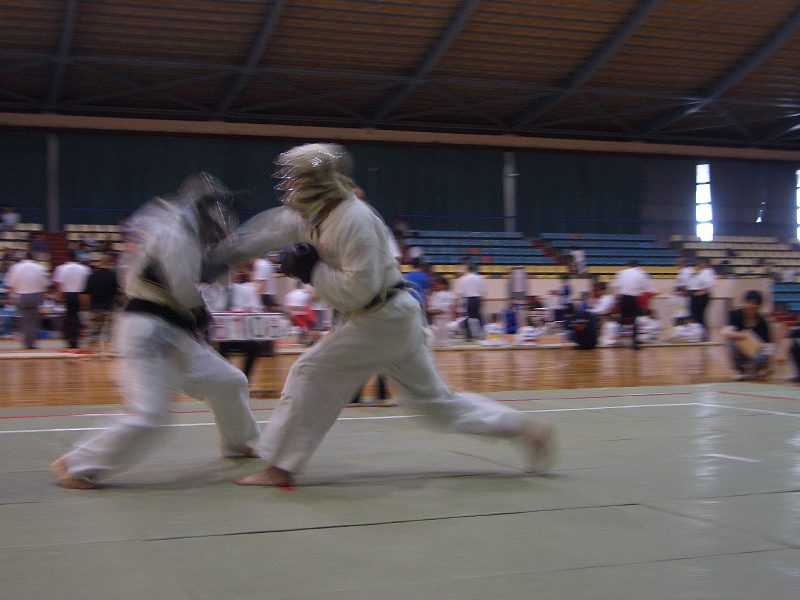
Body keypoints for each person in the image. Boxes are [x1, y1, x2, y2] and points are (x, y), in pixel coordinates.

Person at [206, 143, 554, 487]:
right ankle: (523, 429)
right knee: (438, 406)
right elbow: (267, 230)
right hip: (390, 320)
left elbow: (360, 289)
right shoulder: (309, 215)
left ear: (318, 181)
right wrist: (220, 259)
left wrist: (312, 271)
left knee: (309, 373)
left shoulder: (354, 220)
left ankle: (280, 468)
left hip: (380, 317)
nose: (290, 186)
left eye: (297, 178)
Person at [49, 173, 260, 489]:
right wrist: (204, 309)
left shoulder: (173, 223)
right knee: (151, 414)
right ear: (203, 209)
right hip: (147, 327)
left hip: (173, 329)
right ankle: (74, 465)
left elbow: (189, 279)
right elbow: (183, 288)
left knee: (229, 382)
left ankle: (236, 443)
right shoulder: (175, 230)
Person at [202, 268, 266, 381]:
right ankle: (226, 377)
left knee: (255, 345)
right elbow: (206, 312)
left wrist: (245, 316)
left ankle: (245, 378)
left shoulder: (247, 291)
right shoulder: (209, 292)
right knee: (220, 345)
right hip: (221, 335)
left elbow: (257, 310)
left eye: (232, 273)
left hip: (243, 334)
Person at [721, 290, 773, 381]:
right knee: (731, 343)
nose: (750, 306)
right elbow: (726, 333)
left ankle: (757, 370)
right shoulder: (734, 315)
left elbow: (767, 345)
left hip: (757, 353)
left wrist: (766, 366)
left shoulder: (763, 322)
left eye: (754, 303)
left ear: (759, 306)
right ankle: (741, 371)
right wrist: (743, 336)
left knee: (769, 350)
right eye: (748, 302)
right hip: (740, 347)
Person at [4, 252, 49, 349]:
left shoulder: (16, 267)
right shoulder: (39, 268)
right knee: (33, 321)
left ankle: (26, 343)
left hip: (22, 296)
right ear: (33, 258)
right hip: (35, 296)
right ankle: (32, 344)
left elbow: (11, 285)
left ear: (25, 258)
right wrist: (42, 300)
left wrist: (11, 297)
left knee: (25, 321)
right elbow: (44, 286)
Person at [52, 251, 92, 349]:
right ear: (76, 258)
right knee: (78, 317)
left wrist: (59, 296)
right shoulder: (85, 269)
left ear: (67, 258)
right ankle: (77, 339)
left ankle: (70, 339)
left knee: (70, 317)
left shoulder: (62, 268)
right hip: (81, 295)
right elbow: (89, 284)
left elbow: (59, 285)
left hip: (68, 294)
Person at [84, 253, 121, 351]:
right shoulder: (114, 276)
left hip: (95, 307)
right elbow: (119, 294)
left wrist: (88, 307)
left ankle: (89, 352)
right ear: (110, 263)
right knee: (109, 332)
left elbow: (86, 294)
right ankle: (107, 352)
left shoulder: (92, 276)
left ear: (100, 263)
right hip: (109, 307)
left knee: (93, 331)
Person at [612, 260, 650, 349]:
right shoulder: (640, 274)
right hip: (633, 298)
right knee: (634, 321)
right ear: (637, 265)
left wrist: (618, 299)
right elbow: (643, 289)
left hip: (623, 298)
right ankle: (634, 343)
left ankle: (616, 341)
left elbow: (616, 286)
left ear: (629, 265)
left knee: (621, 320)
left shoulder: (622, 273)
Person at [455, 262, 486, 341]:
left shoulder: (464, 278)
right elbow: (482, 292)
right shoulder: (480, 278)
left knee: (468, 317)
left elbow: (460, 293)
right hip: (477, 299)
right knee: (478, 317)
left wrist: (460, 304)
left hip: (468, 299)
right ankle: (481, 335)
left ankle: (469, 336)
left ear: (468, 270)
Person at [688, 257, 715, 340]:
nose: (698, 264)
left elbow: (709, 286)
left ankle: (704, 335)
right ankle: (700, 334)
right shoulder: (702, 272)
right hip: (697, 295)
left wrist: (699, 293)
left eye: (700, 263)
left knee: (699, 316)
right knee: (696, 316)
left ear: (704, 263)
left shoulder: (707, 272)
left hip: (700, 296)